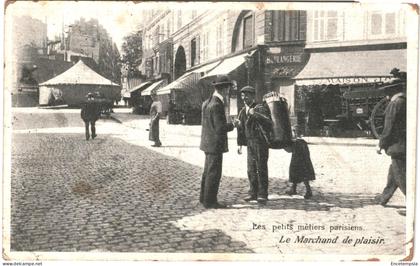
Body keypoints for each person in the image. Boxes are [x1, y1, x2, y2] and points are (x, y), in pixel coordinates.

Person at [199, 75, 239, 209]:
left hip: (207, 143)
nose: (229, 90)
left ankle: (203, 198)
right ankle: (210, 201)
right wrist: (233, 125)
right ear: (225, 89)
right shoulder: (217, 104)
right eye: (228, 87)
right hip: (215, 144)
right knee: (214, 172)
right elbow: (220, 127)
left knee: (207, 171)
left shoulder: (207, 102)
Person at [236, 86, 273, 204]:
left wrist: (255, 114)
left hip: (260, 142)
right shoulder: (242, 111)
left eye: (246, 95)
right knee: (251, 169)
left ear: (252, 96)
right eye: (242, 95)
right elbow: (241, 128)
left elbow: (268, 122)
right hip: (249, 143)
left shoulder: (260, 107)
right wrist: (239, 144)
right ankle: (253, 192)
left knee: (261, 167)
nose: (244, 98)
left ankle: (263, 194)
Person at [375, 79, 406, 206]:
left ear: (391, 90)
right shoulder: (405, 101)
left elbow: (388, 128)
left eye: (386, 91)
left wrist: (381, 144)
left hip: (398, 146)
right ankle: (384, 198)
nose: (385, 94)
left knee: (402, 177)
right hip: (405, 145)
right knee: (394, 172)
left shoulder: (394, 104)